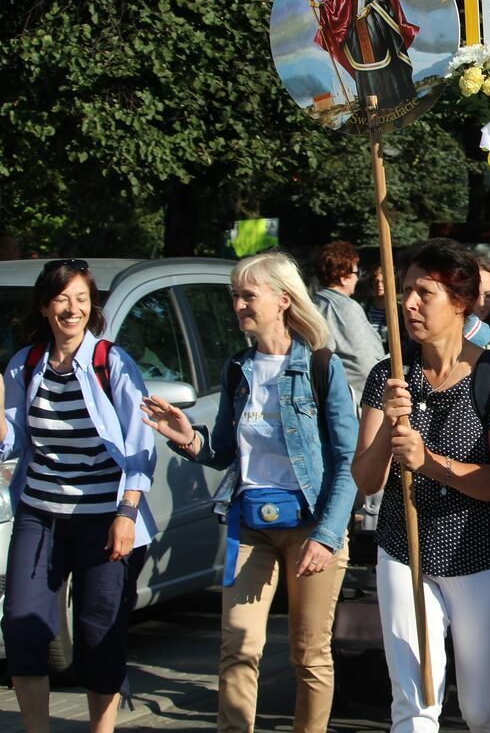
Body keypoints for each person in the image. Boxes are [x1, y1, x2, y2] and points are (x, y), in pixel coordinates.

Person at [140, 252, 359, 733]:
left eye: (247, 295)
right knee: (238, 646)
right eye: (235, 295)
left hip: (312, 526)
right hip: (251, 525)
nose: (238, 304)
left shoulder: (321, 367)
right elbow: (222, 451)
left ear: (283, 300)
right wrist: (189, 439)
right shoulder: (238, 367)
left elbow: (349, 462)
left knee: (308, 653)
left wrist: (327, 535)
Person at [352, 239, 490, 733]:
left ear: (461, 302)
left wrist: (430, 463)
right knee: (414, 703)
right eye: (406, 291)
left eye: (424, 293)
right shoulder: (390, 374)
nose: (408, 304)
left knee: (480, 708)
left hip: (484, 557)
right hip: (405, 555)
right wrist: (390, 422)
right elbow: (366, 482)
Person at [1, 260, 155, 733]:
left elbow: (140, 448)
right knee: (23, 626)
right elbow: (11, 441)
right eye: (63, 299)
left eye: (82, 299)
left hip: (104, 518)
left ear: (92, 307)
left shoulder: (113, 362)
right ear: (46, 306)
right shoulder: (25, 364)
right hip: (40, 514)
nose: (73, 309)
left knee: (97, 633)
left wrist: (126, 513)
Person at [313, 0, 418, 112]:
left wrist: (369, 8)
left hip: (373, 25)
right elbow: (334, 3)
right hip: (353, 27)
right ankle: (369, 106)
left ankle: (394, 100)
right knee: (361, 67)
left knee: (383, 61)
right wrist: (319, 5)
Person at [313, 241, 386, 401]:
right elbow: (365, 360)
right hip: (353, 400)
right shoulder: (345, 307)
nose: (357, 277)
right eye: (355, 271)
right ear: (344, 278)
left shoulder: (314, 304)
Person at [365, 264, 391, 346]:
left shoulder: (398, 310)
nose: (379, 285)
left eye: (383, 282)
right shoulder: (364, 309)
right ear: (371, 284)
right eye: (376, 281)